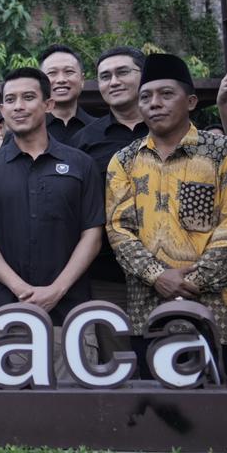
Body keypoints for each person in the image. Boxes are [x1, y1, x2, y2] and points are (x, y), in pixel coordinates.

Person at [106, 53, 227, 387]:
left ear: (191, 101)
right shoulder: (124, 160)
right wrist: (157, 276)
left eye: (166, 94)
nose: (154, 103)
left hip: (216, 311)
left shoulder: (223, 151)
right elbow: (118, 229)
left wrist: (193, 282)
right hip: (148, 312)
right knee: (156, 405)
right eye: (146, 97)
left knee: (221, 403)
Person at [0, 67, 103, 376]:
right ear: (2, 110)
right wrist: (20, 289)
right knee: (9, 405)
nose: (18, 106)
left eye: (28, 97)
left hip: (71, 315)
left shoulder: (80, 164)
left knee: (76, 401)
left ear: (48, 104)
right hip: (7, 315)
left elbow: (92, 234)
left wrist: (56, 289)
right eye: (10, 100)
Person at [71, 47, 149, 357]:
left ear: (143, 76)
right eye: (105, 76)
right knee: (119, 365)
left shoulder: (170, 130)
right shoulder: (85, 141)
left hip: (173, 272)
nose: (113, 81)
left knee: (171, 364)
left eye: (123, 72)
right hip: (109, 276)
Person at [41, 45, 95, 142]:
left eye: (69, 72)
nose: (61, 80)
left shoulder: (100, 129)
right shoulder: (28, 131)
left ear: (82, 80)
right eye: (52, 73)